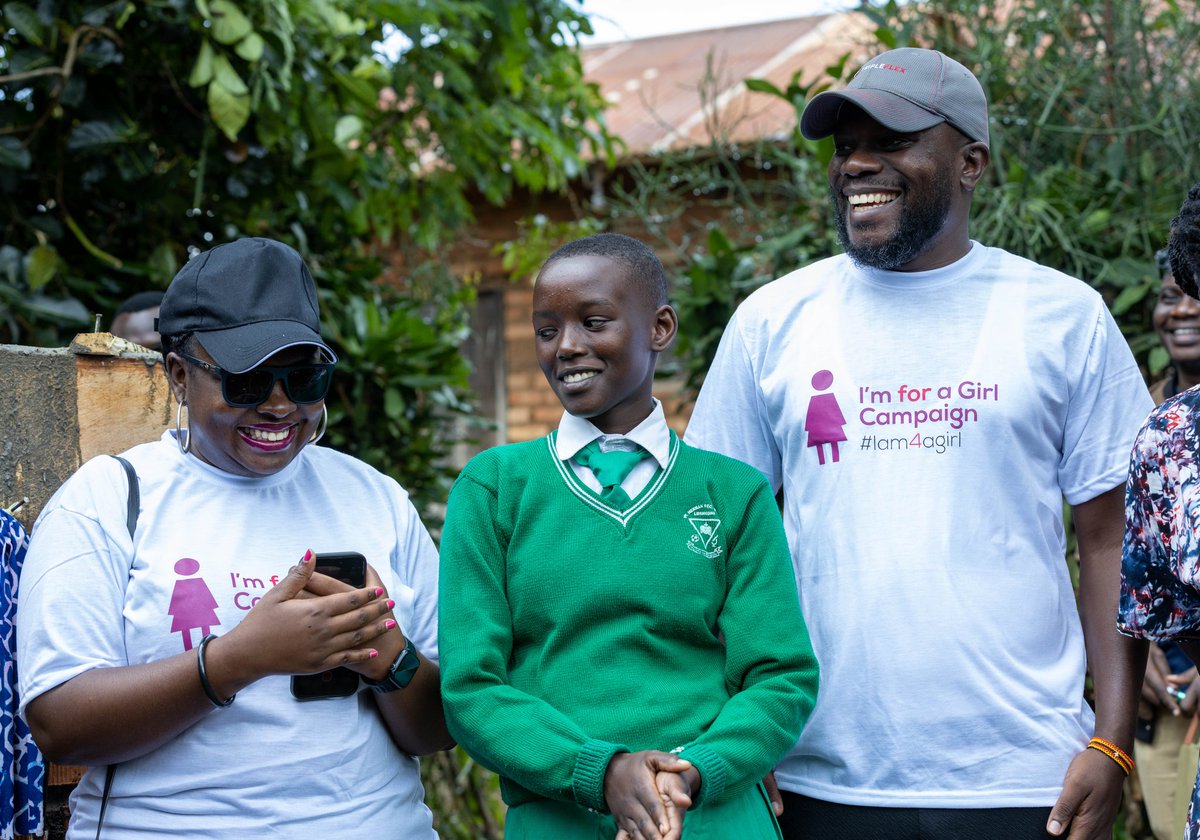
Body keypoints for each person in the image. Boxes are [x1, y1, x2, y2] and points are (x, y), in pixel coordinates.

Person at [686, 47, 1153, 840]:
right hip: (812, 776)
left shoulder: (1063, 316)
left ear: (969, 161)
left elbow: (1111, 541)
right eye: (844, 147)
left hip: (1025, 783)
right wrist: (735, 732)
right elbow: (715, 540)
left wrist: (1111, 740)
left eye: (892, 140)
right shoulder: (772, 320)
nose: (858, 165)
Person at [16, 237, 451, 837]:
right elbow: (60, 724)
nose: (279, 405)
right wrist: (236, 661)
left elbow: (439, 729)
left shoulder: (374, 499)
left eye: (303, 378)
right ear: (178, 375)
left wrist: (386, 656)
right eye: (247, 382)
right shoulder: (109, 501)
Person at [437, 232, 819, 840]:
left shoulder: (732, 492)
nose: (567, 347)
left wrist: (694, 771)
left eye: (593, 322)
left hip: (711, 816)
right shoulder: (495, 489)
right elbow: (471, 688)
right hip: (561, 819)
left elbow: (781, 675)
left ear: (660, 327)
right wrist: (603, 772)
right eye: (546, 329)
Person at [1121, 180, 1200, 840]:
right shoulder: (1153, 428)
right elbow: (1110, 559)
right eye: (1170, 295)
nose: (1180, 311)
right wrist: (1138, 647)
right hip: (1160, 687)